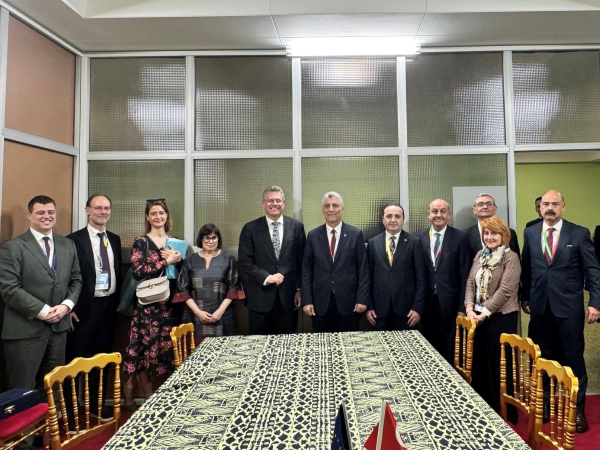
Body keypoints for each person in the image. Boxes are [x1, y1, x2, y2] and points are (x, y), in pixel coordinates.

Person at [521, 190, 600, 433]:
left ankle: (577, 411)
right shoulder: (531, 232)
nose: (550, 208)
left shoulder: (579, 233)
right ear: (540, 207)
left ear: (563, 206)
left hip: (569, 308)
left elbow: (592, 270)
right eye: (546, 204)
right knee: (542, 359)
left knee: (573, 360)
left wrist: (595, 302)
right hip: (540, 307)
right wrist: (525, 296)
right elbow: (527, 266)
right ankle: (544, 404)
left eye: (555, 204)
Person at [0, 195, 82, 397]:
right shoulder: (12, 247)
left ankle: (51, 420)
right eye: (41, 212)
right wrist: (44, 311)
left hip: (59, 328)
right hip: (25, 330)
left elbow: (76, 280)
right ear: (30, 215)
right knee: (22, 389)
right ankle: (26, 421)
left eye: (51, 212)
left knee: (54, 387)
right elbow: (9, 288)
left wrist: (66, 306)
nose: (47, 216)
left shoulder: (67, 245)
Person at [65, 194, 122, 422]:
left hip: (108, 308)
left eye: (106, 208)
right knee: (75, 361)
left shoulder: (114, 239)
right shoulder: (73, 240)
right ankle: (70, 413)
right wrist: (68, 306)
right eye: (98, 208)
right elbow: (66, 276)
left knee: (101, 360)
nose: (103, 212)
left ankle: (96, 407)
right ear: (88, 210)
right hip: (82, 309)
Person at [122, 199, 182, 409]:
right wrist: (166, 261)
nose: (158, 217)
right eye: (154, 213)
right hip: (147, 306)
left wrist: (178, 260)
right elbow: (139, 271)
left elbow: (180, 274)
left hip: (169, 305)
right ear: (147, 217)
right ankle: (147, 400)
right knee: (144, 351)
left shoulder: (176, 242)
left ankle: (132, 388)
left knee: (162, 353)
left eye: (161, 213)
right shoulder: (141, 242)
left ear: (167, 216)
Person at [465, 216, 520, 417]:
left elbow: (506, 290)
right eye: (486, 233)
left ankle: (502, 411)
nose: (489, 237)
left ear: (504, 235)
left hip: (501, 318)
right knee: (480, 363)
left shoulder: (510, 257)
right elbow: (470, 283)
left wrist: (484, 313)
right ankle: (484, 408)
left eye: (494, 233)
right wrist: (469, 308)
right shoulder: (480, 254)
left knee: (499, 365)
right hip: (478, 317)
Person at [238, 186, 306, 335]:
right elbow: (245, 262)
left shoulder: (296, 227)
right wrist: (267, 277)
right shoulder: (250, 228)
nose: (274, 203)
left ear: (284, 203)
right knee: (259, 344)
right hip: (259, 298)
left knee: (286, 344)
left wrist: (300, 289)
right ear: (263, 203)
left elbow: (302, 262)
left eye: (278, 200)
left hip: (288, 299)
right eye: (270, 200)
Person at [301, 192, 369, 332]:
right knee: (322, 343)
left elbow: (363, 270)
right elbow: (307, 270)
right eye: (327, 206)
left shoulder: (355, 234)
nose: (331, 209)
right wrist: (307, 300)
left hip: (350, 303)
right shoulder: (313, 236)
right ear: (322, 210)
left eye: (335, 205)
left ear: (342, 209)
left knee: (349, 342)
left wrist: (362, 299)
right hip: (320, 304)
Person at [415, 199, 470, 362]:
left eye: (443, 211)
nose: (438, 215)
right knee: (427, 347)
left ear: (449, 215)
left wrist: (462, 308)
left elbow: (465, 275)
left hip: (451, 304)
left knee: (450, 348)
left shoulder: (460, 237)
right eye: (434, 211)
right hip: (426, 303)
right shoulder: (418, 238)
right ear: (428, 214)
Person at [176, 223, 244, 341]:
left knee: (223, 349)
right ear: (201, 239)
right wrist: (198, 312)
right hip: (194, 316)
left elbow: (233, 289)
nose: (210, 241)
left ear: (218, 239)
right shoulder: (190, 260)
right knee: (195, 350)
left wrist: (219, 312)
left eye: (214, 238)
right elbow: (183, 290)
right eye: (206, 238)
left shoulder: (228, 259)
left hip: (222, 315)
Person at [366, 203, 426, 332]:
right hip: (378, 311)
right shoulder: (372, 243)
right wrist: (369, 307)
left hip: (407, 312)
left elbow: (421, 279)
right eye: (389, 216)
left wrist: (417, 308)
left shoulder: (414, 242)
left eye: (397, 216)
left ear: (403, 219)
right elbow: (368, 277)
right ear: (383, 219)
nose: (393, 220)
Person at [466, 193, 520, 264]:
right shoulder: (465, 234)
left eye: (489, 204)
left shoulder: (509, 232)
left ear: (495, 209)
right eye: (480, 204)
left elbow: (516, 262)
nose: (485, 207)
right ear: (474, 210)